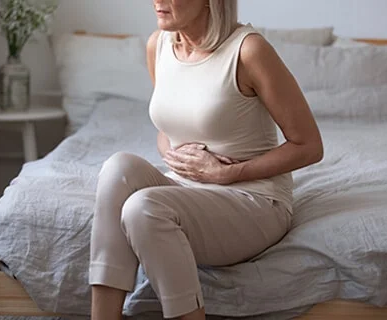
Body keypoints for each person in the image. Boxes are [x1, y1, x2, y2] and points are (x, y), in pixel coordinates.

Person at [89, 0, 323, 319]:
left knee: (142, 208)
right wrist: (179, 157)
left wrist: (230, 173)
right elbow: (169, 127)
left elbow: (309, 145)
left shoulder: (248, 51)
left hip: (253, 200)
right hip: (186, 191)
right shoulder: (158, 44)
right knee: (118, 168)